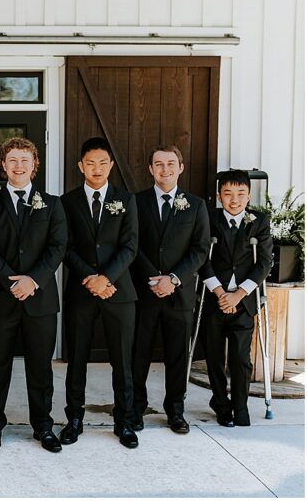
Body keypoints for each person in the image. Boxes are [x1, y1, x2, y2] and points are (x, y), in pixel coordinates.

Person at [0, 137, 68, 452]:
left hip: (39, 300)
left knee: (40, 368)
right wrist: (11, 281)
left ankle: (43, 427)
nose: (18, 165)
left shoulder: (53, 204)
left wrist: (33, 280)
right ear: (3, 165)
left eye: (24, 160)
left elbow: (57, 248)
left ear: (35, 165)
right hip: (1, 299)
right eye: (12, 160)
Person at [60, 138, 139, 449]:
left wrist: (106, 278)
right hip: (81, 291)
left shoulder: (126, 200)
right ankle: (74, 419)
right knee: (77, 358)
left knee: (122, 360)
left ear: (111, 165)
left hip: (118, 293)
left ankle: (125, 421)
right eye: (90, 163)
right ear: (81, 166)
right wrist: (90, 278)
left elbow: (130, 246)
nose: (97, 169)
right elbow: (65, 247)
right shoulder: (67, 202)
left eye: (102, 163)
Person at [130, 146, 210, 434]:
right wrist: (153, 277)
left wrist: (174, 278)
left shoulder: (196, 205)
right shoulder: (136, 202)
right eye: (159, 164)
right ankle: (135, 409)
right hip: (145, 292)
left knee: (177, 355)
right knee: (138, 354)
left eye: (170, 164)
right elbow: (131, 244)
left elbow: (200, 249)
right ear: (150, 169)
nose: (165, 169)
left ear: (181, 168)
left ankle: (175, 411)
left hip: (179, 294)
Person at [201, 170, 273, 427]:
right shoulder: (209, 219)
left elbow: (264, 262)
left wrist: (239, 294)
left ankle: (240, 406)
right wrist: (221, 293)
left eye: (241, 194)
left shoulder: (259, 221)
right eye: (228, 194)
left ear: (248, 195)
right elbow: (202, 258)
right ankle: (220, 403)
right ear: (219, 196)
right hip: (215, 300)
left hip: (243, 302)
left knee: (241, 358)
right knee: (214, 355)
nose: (234, 200)